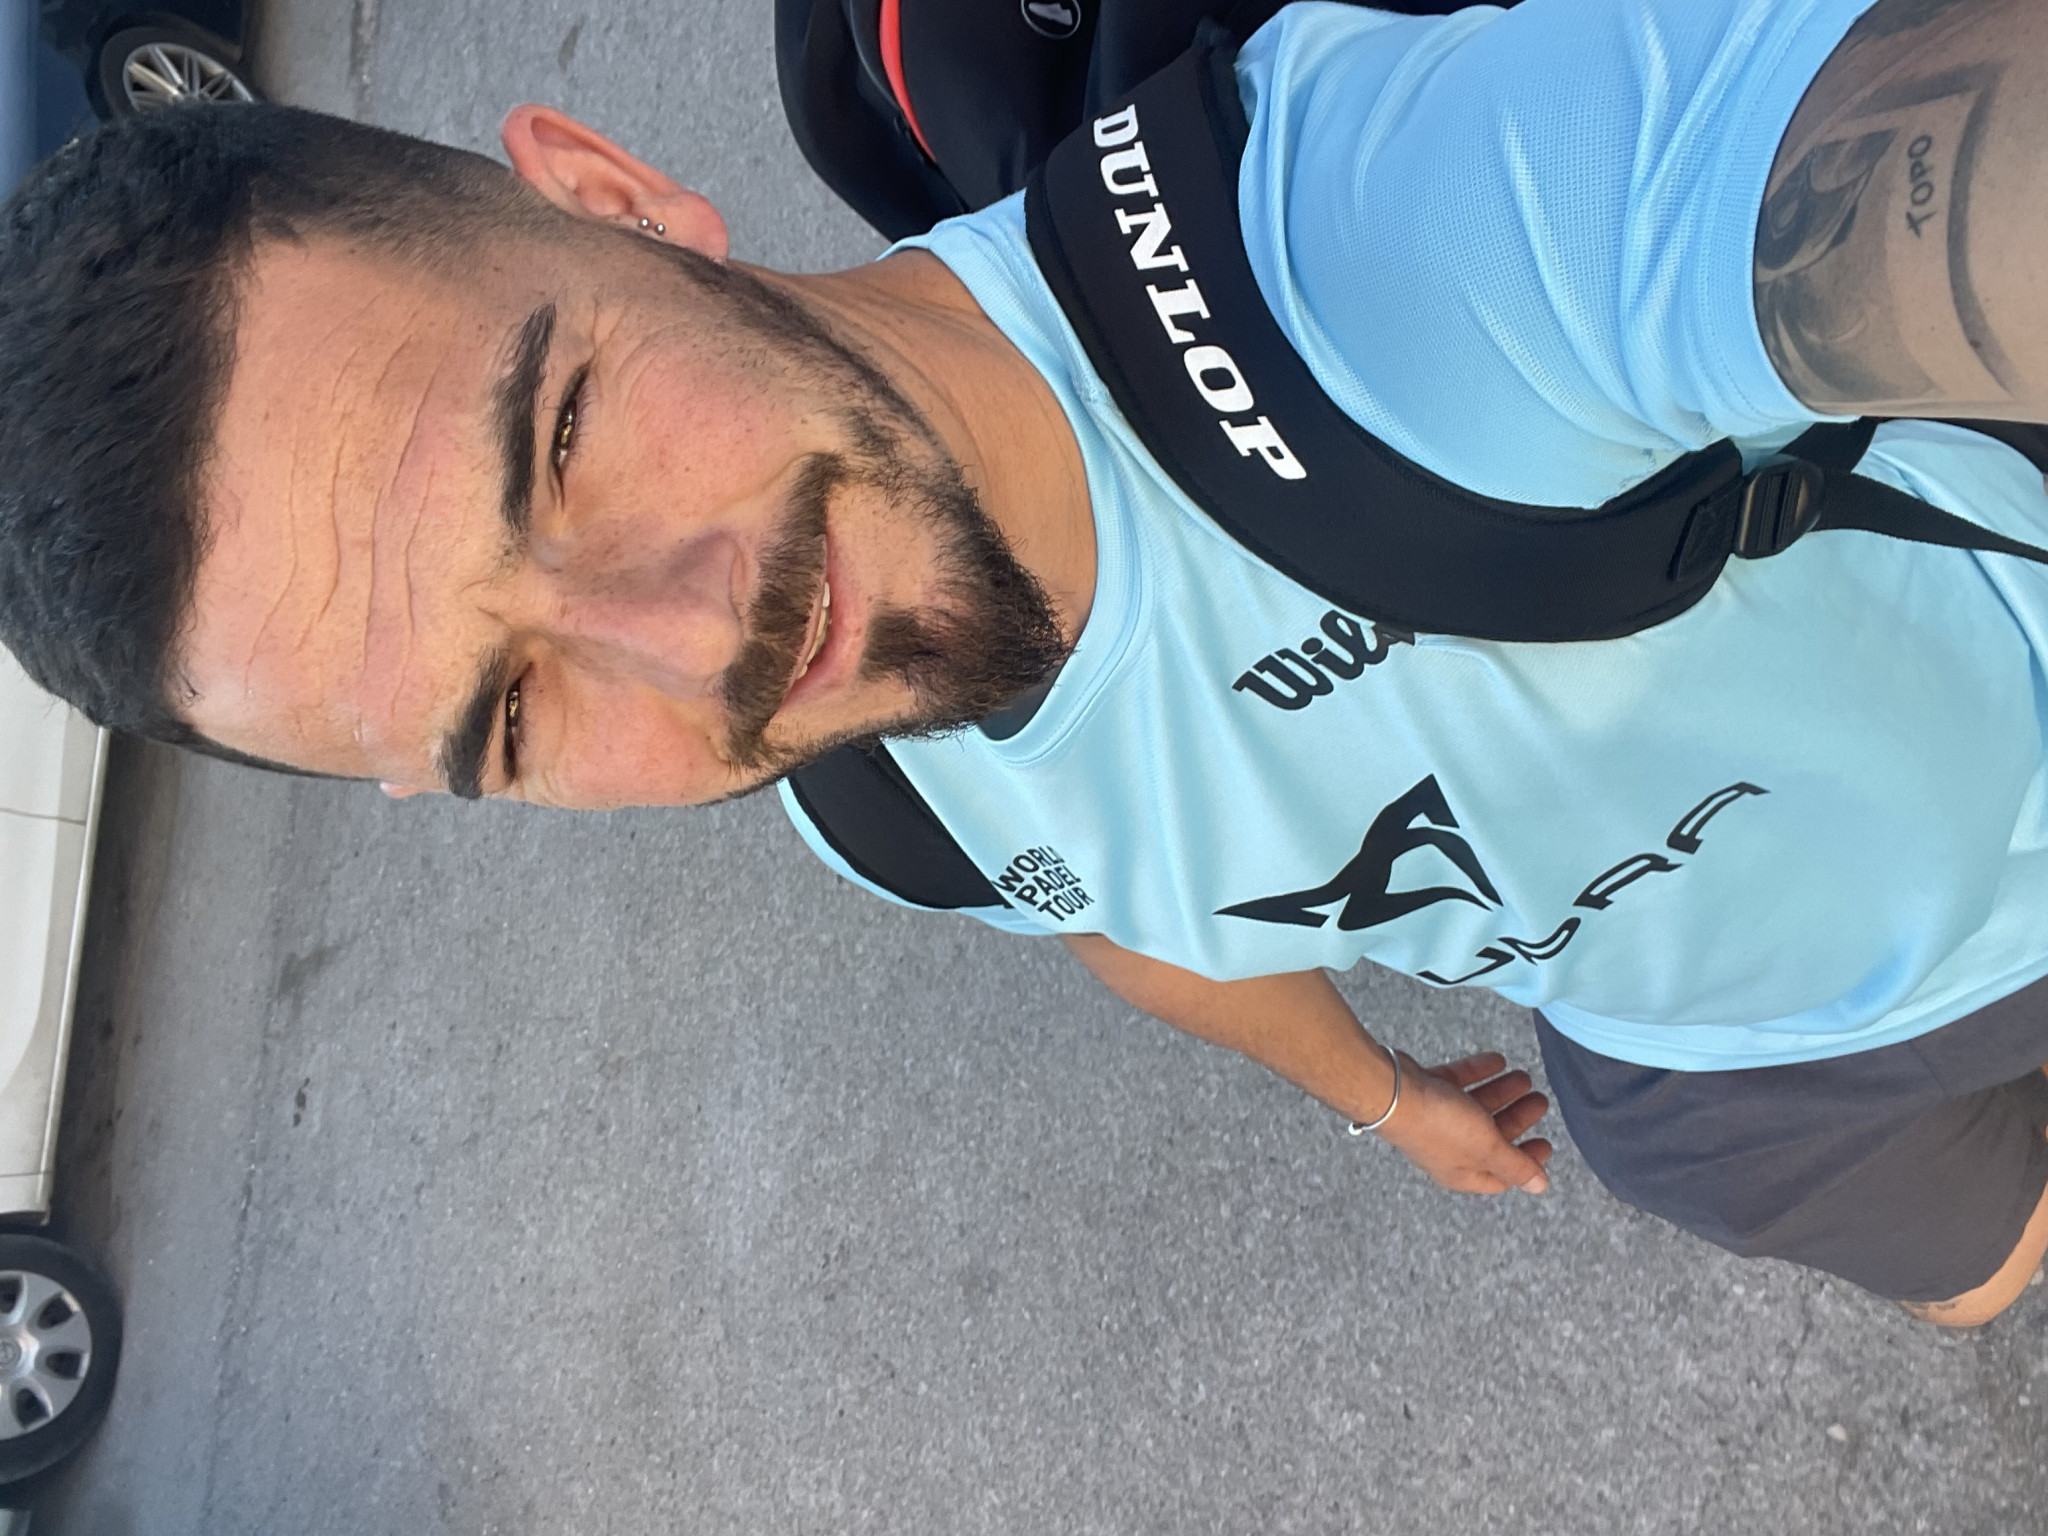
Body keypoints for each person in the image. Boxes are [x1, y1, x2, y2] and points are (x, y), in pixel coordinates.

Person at [4, 0, 2048, 1324]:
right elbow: (1126, 914)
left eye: (560, 440)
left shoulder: (1366, 243)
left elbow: (1932, 192)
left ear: (617, 202)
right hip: (1710, 1074)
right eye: (510, 712)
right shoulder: (880, 805)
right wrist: (1385, 1100)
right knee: (1978, 1285)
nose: (700, 645)